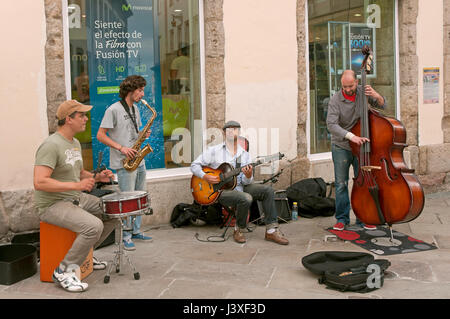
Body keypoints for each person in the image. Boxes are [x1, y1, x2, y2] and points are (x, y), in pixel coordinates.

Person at [33, 99, 118, 293]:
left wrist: (97, 178)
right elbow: (39, 181)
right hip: (52, 204)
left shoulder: (75, 143)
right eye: (81, 115)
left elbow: (78, 173)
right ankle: (64, 271)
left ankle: (86, 255)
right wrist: (76, 185)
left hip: (75, 197)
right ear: (68, 119)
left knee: (113, 211)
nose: (86, 119)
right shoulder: (50, 145)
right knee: (93, 226)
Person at [190, 120, 289, 245]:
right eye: (229, 129)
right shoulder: (214, 150)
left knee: (268, 191)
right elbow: (194, 165)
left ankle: (271, 231)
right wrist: (205, 176)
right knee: (246, 198)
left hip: (240, 187)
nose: (232, 132)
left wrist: (248, 175)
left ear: (239, 132)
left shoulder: (244, 155)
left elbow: (246, 182)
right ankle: (239, 229)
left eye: (235, 129)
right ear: (224, 133)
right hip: (219, 191)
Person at [97, 75, 152, 251]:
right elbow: (101, 135)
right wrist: (121, 148)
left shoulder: (135, 109)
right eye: (140, 90)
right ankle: (126, 235)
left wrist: (143, 134)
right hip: (124, 161)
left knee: (140, 195)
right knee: (128, 198)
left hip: (137, 158)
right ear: (130, 90)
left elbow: (134, 134)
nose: (142, 94)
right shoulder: (113, 110)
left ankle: (136, 231)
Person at [326, 69, 386, 231]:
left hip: (362, 147)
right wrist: (352, 137)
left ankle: (363, 218)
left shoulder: (363, 92)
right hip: (342, 146)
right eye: (344, 87)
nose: (347, 90)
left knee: (364, 183)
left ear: (357, 82)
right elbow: (331, 125)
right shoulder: (335, 100)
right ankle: (342, 219)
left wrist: (376, 96)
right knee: (341, 184)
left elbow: (383, 106)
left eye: (350, 86)